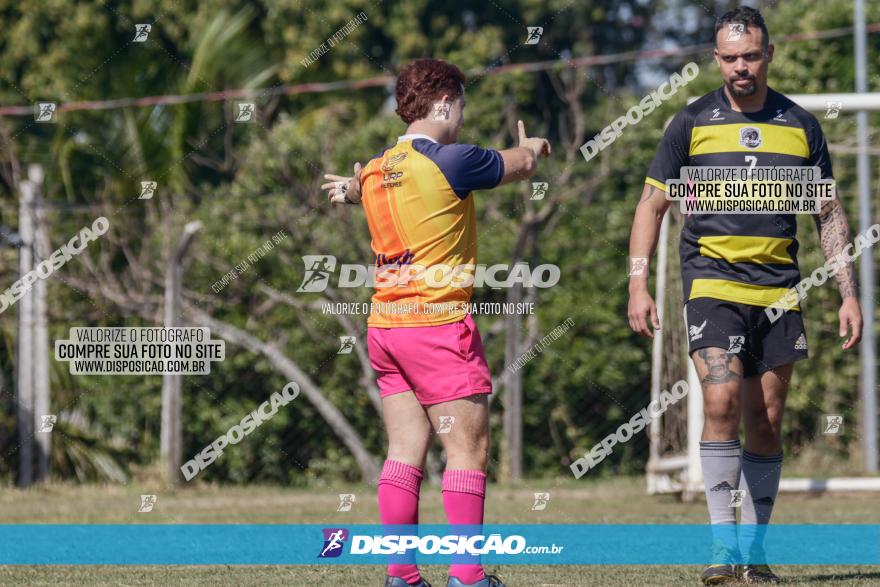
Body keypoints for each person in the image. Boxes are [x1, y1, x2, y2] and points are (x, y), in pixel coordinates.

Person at [626, 7, 862, 585]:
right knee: (723, 403)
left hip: (780, 290)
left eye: (750, 56)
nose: (740, 68)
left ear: (768, 54)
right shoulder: (690, 122)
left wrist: (847, 293)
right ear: (716, 60)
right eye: (730, 58)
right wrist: (637, 281)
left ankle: (755, 556)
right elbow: (651, 205)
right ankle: (721, 551)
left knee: (767, 420)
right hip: (711, 283)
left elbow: (828, 213)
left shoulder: (802, 125)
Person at [323, 57, 550, 587]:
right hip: (438, 326)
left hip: (387, 327)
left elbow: (365, 190)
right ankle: (468, 577)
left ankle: (401, 575)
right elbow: (518, 165)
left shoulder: (377, 169)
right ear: (445, 103)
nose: (463, 119)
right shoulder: (454, 159)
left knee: (403, 452)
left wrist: (351, 191)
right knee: (467, 450)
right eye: (462, 106)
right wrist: (534, 146)